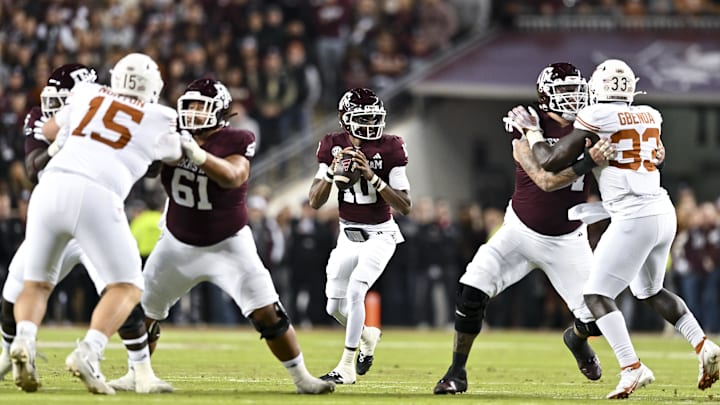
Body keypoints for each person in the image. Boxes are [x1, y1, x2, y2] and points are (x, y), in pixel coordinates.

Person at [107, 77, 335, 395]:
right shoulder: (171, 133)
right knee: (142, 313)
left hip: (228, 243)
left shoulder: (238, 138)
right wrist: (155, 150)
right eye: (190, 106)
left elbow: (233, 176)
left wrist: (195, 154)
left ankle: (301, 378)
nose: (194, 113)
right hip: (176, 243)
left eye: (202, 106)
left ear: (221, 111)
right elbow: (146, 170)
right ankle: (135, 373)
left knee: (269, 313)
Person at [510, 58, 720, 399]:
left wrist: (533, 131)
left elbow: (550, 160)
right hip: (661, 209)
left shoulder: (596, 116)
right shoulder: (651, 114)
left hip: (633, 216)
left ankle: (632, 368)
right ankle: (703, 345)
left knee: (595, 296)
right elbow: (653, 154)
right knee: (650, 291)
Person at [9, 53, 182, 395]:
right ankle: (89, 351)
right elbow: (172, 155)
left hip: (50, 189)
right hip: (97, 195)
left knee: (37, 283)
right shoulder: (161, 115)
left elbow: (47, 130)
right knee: (128, 286)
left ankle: (24, 340)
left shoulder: (87, 95)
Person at [433, 62, 608, 395]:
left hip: (568, 239)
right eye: (565, 92)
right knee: (471, 291)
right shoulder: (527, 121)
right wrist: (588, 162)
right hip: (520, 230)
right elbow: (544, 179)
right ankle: (456, 371)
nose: (573, 98)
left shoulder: (593, 123)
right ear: (545, 98)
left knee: (598, 318)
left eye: (576, 90)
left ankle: (575, 338)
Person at [0, 64, 107, 381]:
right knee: (12, 295)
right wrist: (59, 144)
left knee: (121, 290)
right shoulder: (39, 117)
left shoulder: (104, 116)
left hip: (90, 218)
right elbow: (33, 168)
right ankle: (12, 352)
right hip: (56, 216)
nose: (56, 105)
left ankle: (133, 367)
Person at [308, 87, 412, 384]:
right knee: (333, 306)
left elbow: (405, 205)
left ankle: (346, 367)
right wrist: (331, 171)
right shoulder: (331, 144)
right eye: (362, 118)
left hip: (381, 233)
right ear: (345, 119)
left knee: (356, 291)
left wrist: (372, 176)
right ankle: (367, 336)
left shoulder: (391, 147)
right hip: (347, 233)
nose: (369, 126)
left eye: (374, 118)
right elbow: (315, 201)